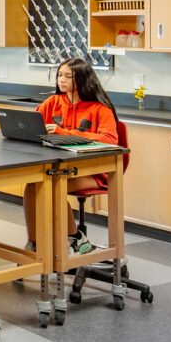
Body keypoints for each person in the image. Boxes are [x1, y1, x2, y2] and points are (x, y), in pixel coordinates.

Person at [22, 57, 120, 254]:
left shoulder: (99, 109)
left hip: (93, 172)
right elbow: (32, 124)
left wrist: (64, 132)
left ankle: (74, 236)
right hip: (61, 167)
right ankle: (34, 242)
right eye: (59, 75)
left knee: (51, 185)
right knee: (32, 185)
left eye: (68, 76)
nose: (61, 80)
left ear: (83, 80)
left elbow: (110, 139)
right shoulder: (53, 102)